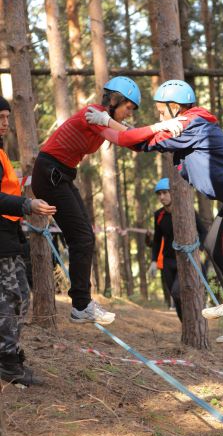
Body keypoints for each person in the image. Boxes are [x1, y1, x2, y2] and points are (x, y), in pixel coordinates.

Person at [85, 79, 223, 342]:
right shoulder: (181, 125)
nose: (159, 116)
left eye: (161, 111)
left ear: (174, 107)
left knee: (221, 249)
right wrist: (108, 126)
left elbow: (137, 137)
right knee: (213, 246)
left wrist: (107, 121)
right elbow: (140, 143)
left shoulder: (189, 122)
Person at [32, 77, 185, 325]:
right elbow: (126, 136)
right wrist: (160, 126)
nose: (128, 114)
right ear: (114, 100)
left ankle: (82, 303)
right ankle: (81, 305)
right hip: (50, 173)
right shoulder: (93, 114)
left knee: (85, 237)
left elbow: (134, 142)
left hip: (60, 176)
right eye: (128, 108)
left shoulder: (106, 120)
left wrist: (165, 133)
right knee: (81, 237)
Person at [0, 96, 56, 386]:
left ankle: (10, 355)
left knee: (20, 298)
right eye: (1, 118)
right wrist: (26, 205)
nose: (6, 124)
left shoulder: (1, 154)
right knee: (11, 302)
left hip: (9, 237)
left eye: (7, 118)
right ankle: (8, 362)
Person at [148, 177, 207, 321]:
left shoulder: (187, 211)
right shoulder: (159, 215)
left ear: (173, 192)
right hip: (168, 262)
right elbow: (157, 239)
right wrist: (154, 261)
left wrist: (201, 250)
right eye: (159, 194)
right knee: (175, 295)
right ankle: (186, 325)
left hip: (187, 259)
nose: (162, 197)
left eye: (165, 193)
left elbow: (203, 231)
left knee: (177, 292)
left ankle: (196, 319)